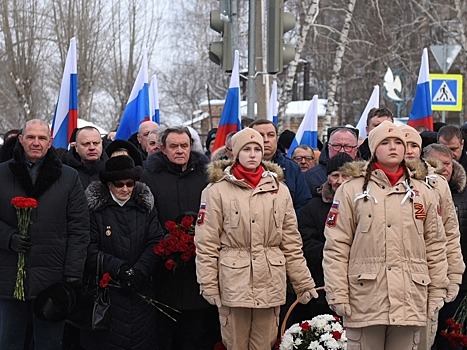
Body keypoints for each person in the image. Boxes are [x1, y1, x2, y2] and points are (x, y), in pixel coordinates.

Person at [323, 120, 448, 349]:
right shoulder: (352, 190)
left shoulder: (423, 192)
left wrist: (438, 289)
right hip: (365, 297)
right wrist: (337, 292)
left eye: (398, 142)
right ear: (372, 148)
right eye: (385, 142)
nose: (393, 147)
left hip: (410, 297)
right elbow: (336, 246)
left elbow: (436, 245)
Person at [195, 127, 318, 350]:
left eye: (257, 149)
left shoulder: (280, 191)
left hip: (270, 280)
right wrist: (208, 284)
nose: (252, 154)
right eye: (246, 149)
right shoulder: (216, 191)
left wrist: (303, 281)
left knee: (265, 343)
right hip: (234, 282)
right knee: (235, 344)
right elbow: (206, 243)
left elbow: (291, 242)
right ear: (234, 153)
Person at [0, 119, 90, 349]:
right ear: (20, 140)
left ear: (50, 142)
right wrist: (8, 238)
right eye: (31, 137)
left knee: (49, 343)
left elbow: (79, 228)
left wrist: (72, 275)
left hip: (52, 280)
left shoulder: (68, 178)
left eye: (42, 138)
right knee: (9, 342)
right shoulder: (2, 174)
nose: (36, 143)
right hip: (9, 277)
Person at [140, 126, 220, 350]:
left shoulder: (206, 176)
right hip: (164, 268)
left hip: (200, 268)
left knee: (196, 336)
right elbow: (145, 217)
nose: (179, 151)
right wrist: (166, 242)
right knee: (166, 336)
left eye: (184, 146)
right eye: (173, 146)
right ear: (163, 149)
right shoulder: (149, 177)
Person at [80, 155, 164, 350]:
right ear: (109, 184)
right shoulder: (94, 210)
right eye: (119, 184)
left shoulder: (145, 207)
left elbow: (156, 240)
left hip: (141, 286)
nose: (125, 189)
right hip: (109, 290)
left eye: (130, 183)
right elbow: (89, 247)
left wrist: (140, 270)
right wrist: (119, 269)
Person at [400, 125, 464, 348]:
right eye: (403, 144)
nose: (408, 151)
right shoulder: (368, 184)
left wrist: (454, 275)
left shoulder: (438, 185)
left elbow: (449, 235)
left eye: (414, 146)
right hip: (384, 283)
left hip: (427, 280)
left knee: (424, 341)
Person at [295, 153, 354, 324]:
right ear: (328, 178)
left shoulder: (365, 204)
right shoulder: (313, 206)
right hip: (323, 284)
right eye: (335, 175)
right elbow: (305, 241)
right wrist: (334, 255)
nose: (340, 180)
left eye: (345, 175)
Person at [423, 143, 467, 350]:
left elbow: (453, 236)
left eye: (448, 163)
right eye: (437, 163)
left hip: (457, 278)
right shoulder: (419, 192)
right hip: (427, 276)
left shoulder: (462, 192)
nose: (444, 168)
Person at [249, 119, 311, 217]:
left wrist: (286, 226)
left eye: (270, 135)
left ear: (276, 138)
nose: (266, 140)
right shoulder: (237, 170)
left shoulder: (292, 168)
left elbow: (303, 204)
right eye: (260, 135)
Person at [305, 126, 359, 197]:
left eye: (347, 147)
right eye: (337, 146)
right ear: (328, 147)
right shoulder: (311, 177)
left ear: (356, 150)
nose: (342, 151)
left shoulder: (366, 175)